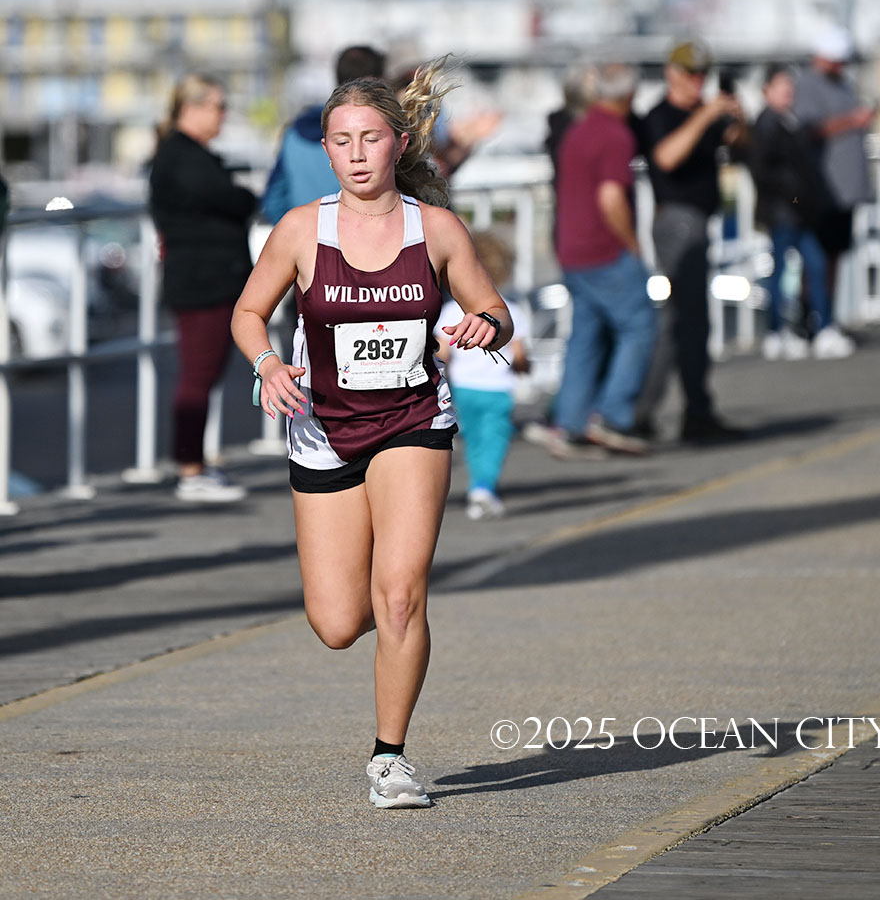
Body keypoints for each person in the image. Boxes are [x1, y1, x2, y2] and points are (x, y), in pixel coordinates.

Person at [231, 68, 513, 808]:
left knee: (400, 595)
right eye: (341, 141)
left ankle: (390, 758)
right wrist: (267, 364)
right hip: (323, 429)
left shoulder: (436, 229)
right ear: (325, 149)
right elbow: (247, 313)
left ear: (401, 143)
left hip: (413, 421)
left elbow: (495, 308)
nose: (357, 155)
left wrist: (485, 325)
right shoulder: (302, 230)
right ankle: (380, 626)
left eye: (371, 139)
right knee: (336, 622)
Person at [149, 73, 257, 503]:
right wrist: (243, 198)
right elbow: (230, 200)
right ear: (191, 108)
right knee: (197, 377)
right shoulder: (183, 156)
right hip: (202, 283)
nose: (223, 114)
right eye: (218, 106)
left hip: (206, 280)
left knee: (202, 376)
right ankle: (190, 469)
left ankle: (194, 465)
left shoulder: (183, 154)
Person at [635, 40, 746, 443]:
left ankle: (654, 410)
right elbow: (665, 157)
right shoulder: (661, 115)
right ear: (672, 73)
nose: (698, 81)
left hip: (697, 222)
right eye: (691, 73)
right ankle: (679, 412)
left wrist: (736, 117)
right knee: (684, 321)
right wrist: (705, 116)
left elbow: (741, 146)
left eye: (703, 74)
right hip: (677, 224)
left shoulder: (706, 114)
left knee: (681, 322)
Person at [550, 62, 656, 457]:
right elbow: (611, 198)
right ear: (629, 95)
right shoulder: (615, 135)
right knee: (640, 326)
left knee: (585, 338)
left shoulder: (578, 130)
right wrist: (633, 243)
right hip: (603, 249)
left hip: (571, 249)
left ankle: (571, 423)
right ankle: (612, 416)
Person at [792, 24, 876, 359]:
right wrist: (852, 121)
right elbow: (808, 129)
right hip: (821, 189)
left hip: (845, 191)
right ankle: (810, 320)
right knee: (815, 260)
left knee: (834, 257)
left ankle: (826, 318)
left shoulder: (843, 83)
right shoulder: (807, 85)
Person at [435, 229, 530, 518]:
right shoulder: (512, 311)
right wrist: (525, 367)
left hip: (463, 388)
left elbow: (442, 353)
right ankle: (483, 487)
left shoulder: (450, 311)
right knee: (495, 438)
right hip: (498, 388)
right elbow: (520, 356)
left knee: (474, 438)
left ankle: (479, 484)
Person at [748, 62, 831, 361]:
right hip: (784, 211)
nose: (788, 92)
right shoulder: (768, 124)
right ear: (767, 90)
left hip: (797, 211)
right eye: (781, 86)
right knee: (783, 272)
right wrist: (796, 198)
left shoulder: (790, 122)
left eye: (789, 87)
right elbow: (765, 172)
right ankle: (778, 331)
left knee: (814, 265)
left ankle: (820, 328)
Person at [260, 45, 386, 225]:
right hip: (362, 233)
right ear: (375, 79)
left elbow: (274, 199)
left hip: (307, 234)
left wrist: (297, 231)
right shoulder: (383, 131)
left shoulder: (294, 132)